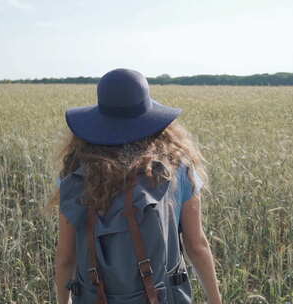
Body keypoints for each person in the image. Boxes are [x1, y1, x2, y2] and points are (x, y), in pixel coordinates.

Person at [48, 68, 222, 304]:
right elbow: (196, 245)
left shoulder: (75, 174)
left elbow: (66, 257)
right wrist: (215, 299)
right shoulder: (177, 168)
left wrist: (63, 301)